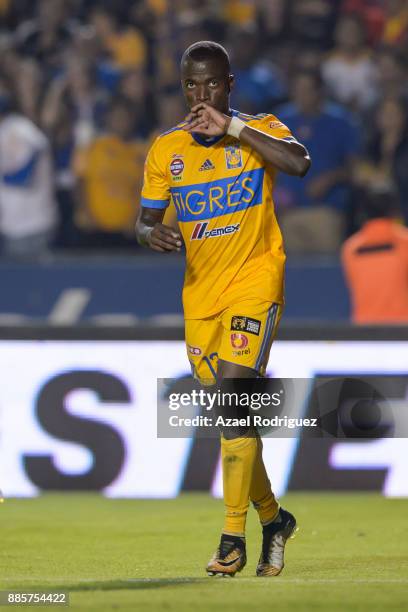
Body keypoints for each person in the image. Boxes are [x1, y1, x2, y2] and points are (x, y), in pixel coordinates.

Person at [136, 41, 310, 577]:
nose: (201, 95)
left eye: (211, 84)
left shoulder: (260, 129)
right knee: (230, 423)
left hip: (256, 283)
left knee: (233, 403)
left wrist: (234, 128)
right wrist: (151, 234)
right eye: (192, 85)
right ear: (182, 87)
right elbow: (143, 219)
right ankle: (273, 519)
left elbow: (299, 163)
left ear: (229, 87)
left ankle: (231, 539)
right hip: (201, 298)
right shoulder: (167, 149)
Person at [276, 69, 360, 254]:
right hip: (289, 213)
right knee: (293, 276)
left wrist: (331, 178)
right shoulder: (281, 120)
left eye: (307, 90)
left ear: (320, 91)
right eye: (297, 90)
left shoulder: (340, 121)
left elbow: (355, 168)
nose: (301, 95)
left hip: (326, 211)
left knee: (327, 272)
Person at [341, 187, 408, 324]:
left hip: (364, 334)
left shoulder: (350, 249)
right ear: (394, 211)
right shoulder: (405, 243)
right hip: (402, 333)